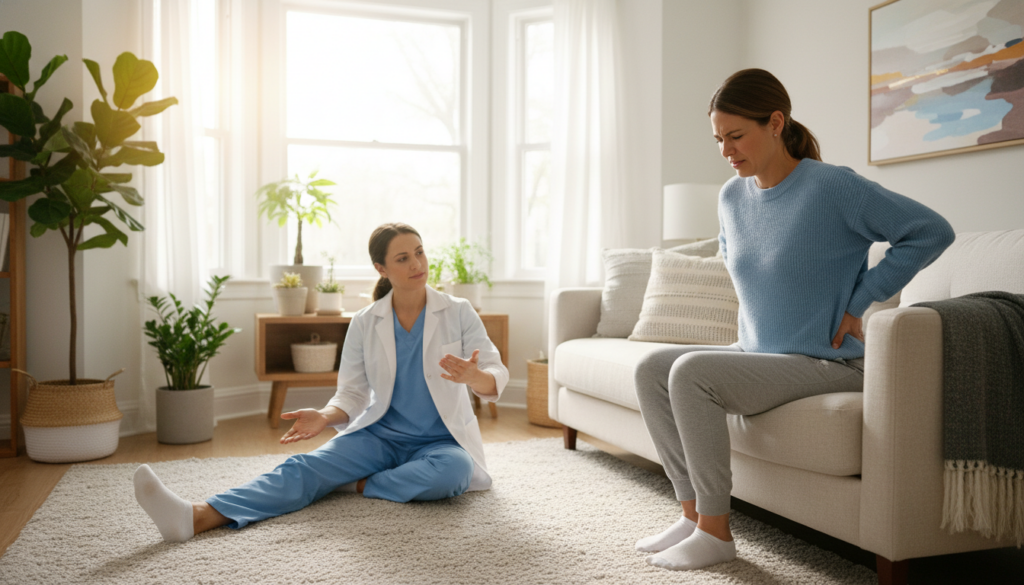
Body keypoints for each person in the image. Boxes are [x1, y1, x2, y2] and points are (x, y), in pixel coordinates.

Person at [634, 69, 955, 571]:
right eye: (719, 139)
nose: (725, 150)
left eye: (736, 136)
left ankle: (717, 534)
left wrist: (861, 300)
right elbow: (737, 260)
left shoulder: (833, 187)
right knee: (651, 368)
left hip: (826, 360)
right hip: (758, 352)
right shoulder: (731, 197)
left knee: (690, 373)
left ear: (776, 123)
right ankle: (693, 514)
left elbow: (930, 231)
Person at [133, 222, 509, 543]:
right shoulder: (365, 320)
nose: (417, 264)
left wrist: (476, 377)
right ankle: (195, 516)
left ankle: (355, 483)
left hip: (440, 442)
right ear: (381, 268)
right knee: (303, 467)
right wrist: (326, 417)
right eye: (403, 258)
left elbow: (494, 373)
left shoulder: (458, 312)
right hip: (380, 437)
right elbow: (353, 391)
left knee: (454, 473)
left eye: (420, 252)